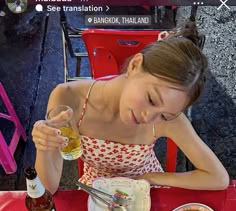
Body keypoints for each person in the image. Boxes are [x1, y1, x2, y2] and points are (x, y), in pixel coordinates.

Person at [32, 20, 229, 194]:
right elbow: (48, 188)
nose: (148, 117)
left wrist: (152, 178)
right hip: (96, 190)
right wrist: (44, 147)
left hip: (144, 192)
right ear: (135, 65)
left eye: (164, 116)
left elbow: (218, 178)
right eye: (151, 99)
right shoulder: (68, 98)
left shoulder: (171, 121)